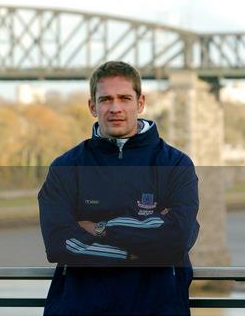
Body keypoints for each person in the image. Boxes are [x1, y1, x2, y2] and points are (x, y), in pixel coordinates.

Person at [38, 61, 200, 315]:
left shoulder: (175, 164)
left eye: (125, 98)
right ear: (93, 106)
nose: (115, 108)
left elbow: (177, 239)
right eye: (106, 100)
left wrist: (99, 228)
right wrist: (139, 254)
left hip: (157, 307)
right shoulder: (65, 168)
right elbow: (59, 243)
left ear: (140, 103)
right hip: (81, 309)